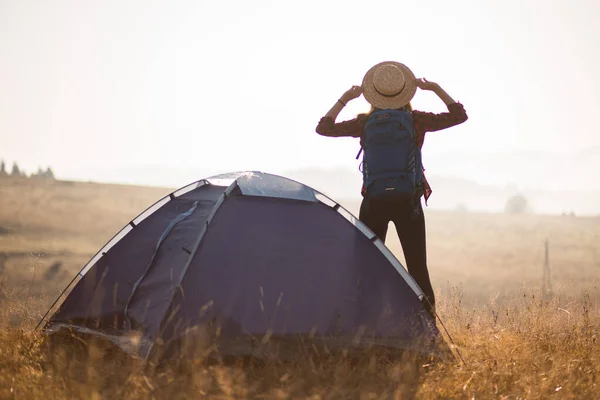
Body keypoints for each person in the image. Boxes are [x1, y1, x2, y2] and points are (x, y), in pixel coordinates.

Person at [315, 61, 468, 316]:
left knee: (368, 265)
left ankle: (367, 324)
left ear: (372, 93)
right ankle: (426, 327)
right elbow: (459, 115)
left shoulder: (364, 122)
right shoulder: (416, 120)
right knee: (417, 267)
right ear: (406, 91)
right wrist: (436, 89)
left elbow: (324, 128)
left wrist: (345, 98)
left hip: (374, 201)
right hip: (408, 201)